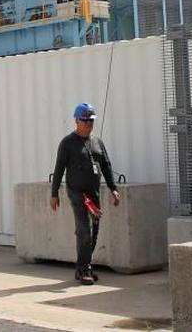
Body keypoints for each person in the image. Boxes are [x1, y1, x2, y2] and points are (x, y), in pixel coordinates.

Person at [49, 102, 121, 285]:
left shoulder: (97, 142)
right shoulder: (67, 143)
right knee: (84, 228)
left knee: (93, 231)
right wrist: (54, 193)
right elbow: (58, 169)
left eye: (91, 120)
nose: (88, 124)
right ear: (76, 120)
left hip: (93, 193)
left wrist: (113, 189)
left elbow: (106, 165)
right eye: (84, 120)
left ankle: (84, 265)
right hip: (76, 192)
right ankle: (84, 270)